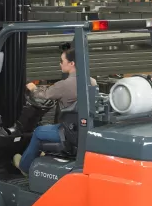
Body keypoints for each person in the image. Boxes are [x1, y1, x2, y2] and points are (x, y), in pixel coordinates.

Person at [13, 47, 97, 175]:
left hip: (68, 133)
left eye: (62, 61)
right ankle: (41, 155)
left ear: (72, 63)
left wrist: (33, 88)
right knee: (47, 128)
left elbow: (43, 95)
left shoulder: (64, 85)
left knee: (38, 131)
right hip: (82, 129)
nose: (60, 64)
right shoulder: (92, 81)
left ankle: (24, 167)